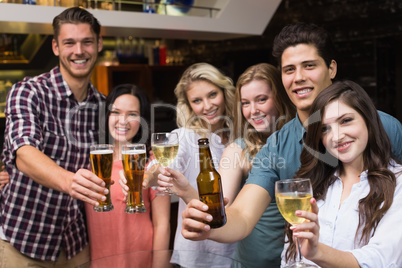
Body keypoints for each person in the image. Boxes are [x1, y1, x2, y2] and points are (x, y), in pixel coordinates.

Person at [180, 23, 402, 262]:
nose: (298, 78)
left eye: (309, 66)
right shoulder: (276, 145)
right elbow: (243, 216)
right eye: (289, 70)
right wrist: (208, 225)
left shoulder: (385, 127)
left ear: (331, 68)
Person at [157, 63, 295, 267]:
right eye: (246, 103)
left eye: (262, 99)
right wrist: (184, 189)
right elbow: (221, 208)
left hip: (299, 259)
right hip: (252, 261)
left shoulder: (301, 139)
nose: (253, 110)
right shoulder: (236, 149)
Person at [0, 7, 108, 266]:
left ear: (99, 44)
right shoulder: (28, 92)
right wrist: (69, 181)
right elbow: (24, 153)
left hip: (77, 244)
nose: (79, 51)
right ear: (56, 47)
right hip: (24, 241)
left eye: (87, 42)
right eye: (69, 43)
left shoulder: (105, 106)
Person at [121, 62, 237, 267]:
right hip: (198, 255)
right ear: (189, 105)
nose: (207, 106)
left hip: (237, 249)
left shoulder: (239, 137)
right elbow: (160, 166)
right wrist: (146, 178)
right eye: (197, 100)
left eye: (212, 95)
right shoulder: (184, 137)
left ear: (224, 92)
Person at [281, 80, 402, 267]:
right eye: (325, 129)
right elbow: (290, 258)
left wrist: (316, 252)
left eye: (345, 121)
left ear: (368, 120)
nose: (336, 137)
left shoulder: (398, 182)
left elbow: (380, 260)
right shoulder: (313, 183)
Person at [84, 84, 171, 266]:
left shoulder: (152, 160)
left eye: (132, 114)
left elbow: (162, 225)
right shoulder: (92, 160)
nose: (122, 121)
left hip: (140, 261)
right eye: (115, 112)